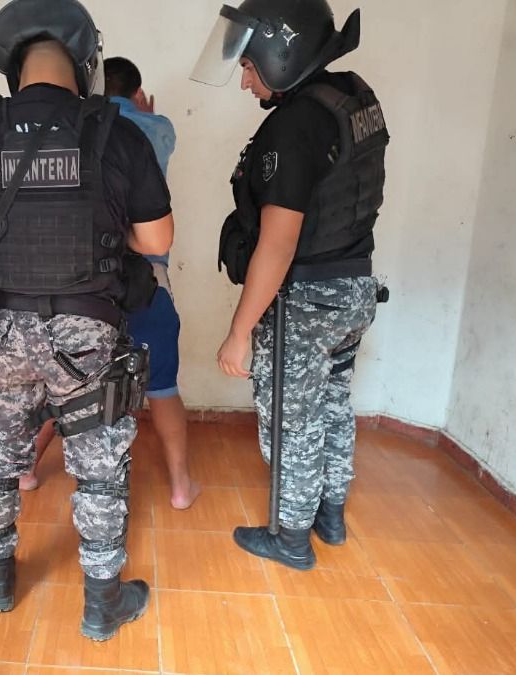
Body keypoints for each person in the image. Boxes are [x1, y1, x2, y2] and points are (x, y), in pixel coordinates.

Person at [0, 0, 174, 641]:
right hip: (86, 331)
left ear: (12, 68)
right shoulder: (117, 135)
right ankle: (101, 604)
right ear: (84, 62)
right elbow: (157, 241)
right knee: (99, 467)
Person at [190, 0, 388, 570]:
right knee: (333, 404)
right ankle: (330, 515)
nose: (245, 81)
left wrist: (239, 332)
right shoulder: (352, 97)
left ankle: (291, 538)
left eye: (249, 66)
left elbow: (277, 245)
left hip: (305, 301)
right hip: (354, 290)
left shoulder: (294, 124)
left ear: (283, 54)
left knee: (292, 421)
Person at [23, 56, 200, 511]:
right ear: (138, 93)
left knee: (65, 384)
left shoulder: (77, 131)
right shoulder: (157, 128)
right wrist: (144, 111)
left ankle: (26, 471)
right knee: (162, 385)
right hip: (147, 282)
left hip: (85, 287)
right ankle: (181, 485)